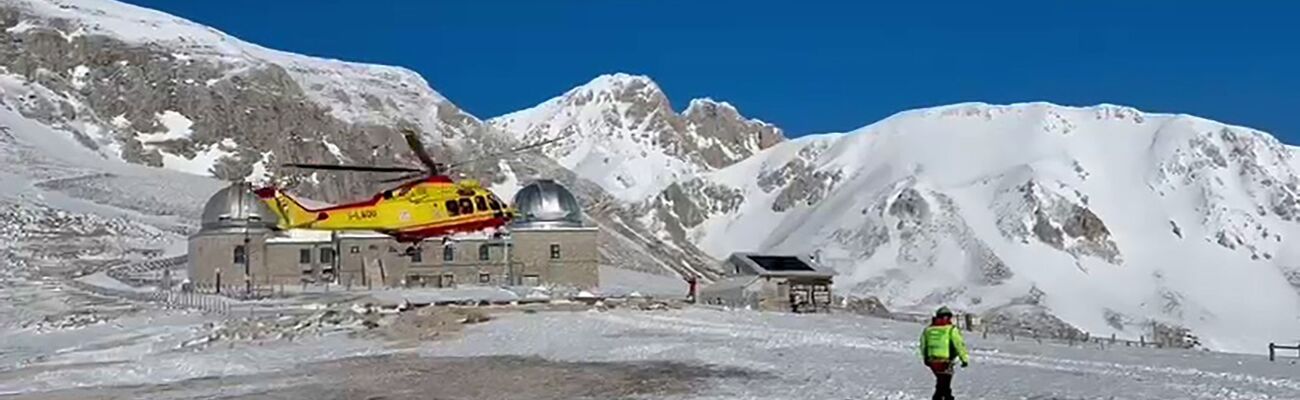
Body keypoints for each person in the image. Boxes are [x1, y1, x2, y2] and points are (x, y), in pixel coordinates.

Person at [919, 306, 970, 400]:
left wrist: (926, 358)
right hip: (945, 361)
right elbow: (959, 345)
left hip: (932, 361)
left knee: (942, 383)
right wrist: (964, 359)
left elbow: (923, 345)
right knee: (943, 385)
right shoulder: (951, 329)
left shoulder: (928, 330)